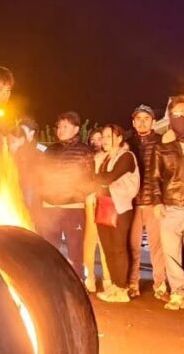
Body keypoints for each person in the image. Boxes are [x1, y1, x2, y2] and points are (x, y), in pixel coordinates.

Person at [148, 96, 184, 311]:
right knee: (171, 253)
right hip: (170, 205)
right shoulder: (162, 147)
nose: (181, 119)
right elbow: (154, 176)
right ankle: (177, 292)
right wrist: (157, 202)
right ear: (171, 118)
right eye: (177, 115)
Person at [37, 112, 95, 274]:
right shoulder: (50, 150)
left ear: (76, 129)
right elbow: (40, 175)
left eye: (65, 127)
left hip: (73, 208)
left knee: (75, 250)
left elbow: (90, 179)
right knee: (49, 248)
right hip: (49, 207)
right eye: (59, 127)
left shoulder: (84, 151)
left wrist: (76, 192)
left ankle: (77, 281)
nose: (60, 130)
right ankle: (51, 281)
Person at [94, 124, 139, 303]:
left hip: (120, 207)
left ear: (119, 138)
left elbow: (109, 178)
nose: (104, 140)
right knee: (108, 249)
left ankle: (121, 289)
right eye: (103, 136)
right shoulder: (102, 158)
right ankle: (113, 285)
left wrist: (89, 179)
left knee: (119, 248)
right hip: (103, 205)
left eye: (108, 136)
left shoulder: (126, 156)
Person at [127, 104, 167, 300]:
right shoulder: (127, 144)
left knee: (158, 246)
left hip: (154, 201)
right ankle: (132, 283)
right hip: (133, 203)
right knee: (133, 246)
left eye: (146, 118)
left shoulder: (161, 142)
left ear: (153, 121)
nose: (142, 122)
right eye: (139, 119)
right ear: (133, 122)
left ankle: (160, 284)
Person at [83, 127, 112, 293]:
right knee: (89, 241)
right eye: (93, 139)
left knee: (105, 242)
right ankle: (90, 277)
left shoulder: (110, 157)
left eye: (99, 138)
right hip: (89, 201)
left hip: (105, 201)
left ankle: (108, 278)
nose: (96, 142)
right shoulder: (87, 157)